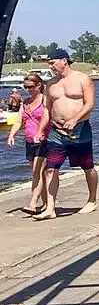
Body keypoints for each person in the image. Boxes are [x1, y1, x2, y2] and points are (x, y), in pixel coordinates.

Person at [33, 48, 98, 219]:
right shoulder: (51, 84)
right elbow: (47, 110)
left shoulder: (82, 79)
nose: (51, 67)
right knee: (50, 169)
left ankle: (92, 200)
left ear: (64, 60)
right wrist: (40, 131)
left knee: (87, 166)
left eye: (53, 63)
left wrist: (75, 119)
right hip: (56, 132)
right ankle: (50, 209)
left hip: (80, 130)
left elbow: (90, 104)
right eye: (49, 64)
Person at [6, 72, 48, 215]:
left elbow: (50, 117)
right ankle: (48, 203)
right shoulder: (26, 103)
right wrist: (11, 135)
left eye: (30, 86)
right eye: (25, 87)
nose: (28, 89)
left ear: (38, 85)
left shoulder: (45, 101)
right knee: (38, 173)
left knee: (37, 171)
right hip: (29, 141)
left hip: (44, 140)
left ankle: (33, 203)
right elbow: (19, 121)